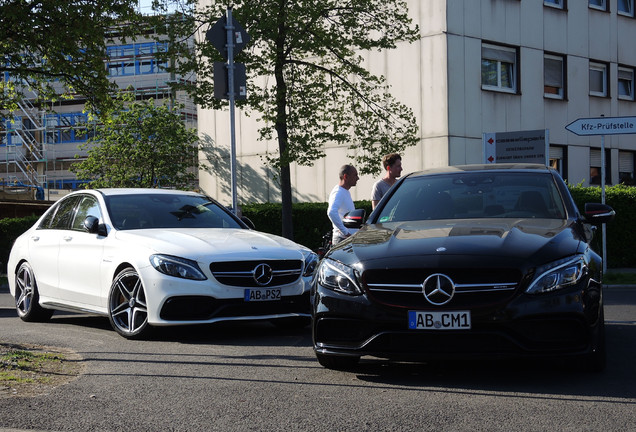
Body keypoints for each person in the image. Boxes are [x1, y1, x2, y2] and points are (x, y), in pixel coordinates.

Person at [327, 164, 359, 245]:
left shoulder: (344, 191)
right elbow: (331, 212)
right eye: (355, 175)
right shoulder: (338, 192)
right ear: (345, 176)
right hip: (342, 240)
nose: (358, 178)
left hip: (345, 239)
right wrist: (345, 232)